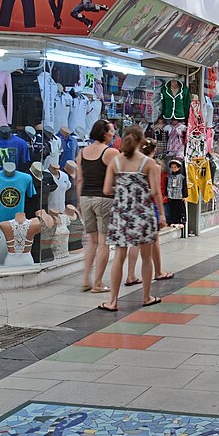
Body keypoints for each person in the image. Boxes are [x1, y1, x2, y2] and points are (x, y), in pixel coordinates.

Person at [98, 126, 163, 311]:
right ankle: (146, 296)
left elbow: (106, 190)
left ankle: (112, 301)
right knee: (146, 256)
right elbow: (156, 192)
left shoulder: (115, 162)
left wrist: (123, 191)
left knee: (119, 256)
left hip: (121, 214)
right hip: (143, 214)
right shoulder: (149, 164)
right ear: (142, 141)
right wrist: (162, 214)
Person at [124, 139, 174, 285]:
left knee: (135, 241)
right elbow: (156, 191)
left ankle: (130, 274)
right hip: (149, 205)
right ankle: (158, 271)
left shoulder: (132, 164)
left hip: (134, 205)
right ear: (154, 150)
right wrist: (162, 213)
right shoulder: (154, 166)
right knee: (154, 240)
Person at [78, 119, 119, 292]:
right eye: (111, 132)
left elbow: (79, 178)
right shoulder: (111, 153)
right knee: (103, 242)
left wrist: (79, 200)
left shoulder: (82, 152)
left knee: (91, 241)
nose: (113, 134)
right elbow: (119, 176)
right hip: (104, 199)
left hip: (86, 198)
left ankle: (86, 279)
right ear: (104, 133)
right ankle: (98, 283)